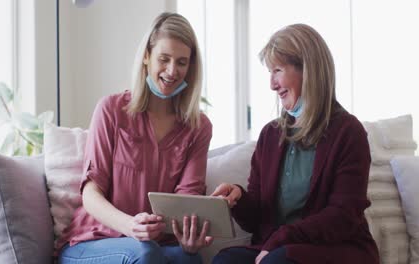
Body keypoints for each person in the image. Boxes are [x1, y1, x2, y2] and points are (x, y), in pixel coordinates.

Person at [211, 24, 379, 264]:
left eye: (277, 70)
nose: (272, 84)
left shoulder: (349, 132)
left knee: (279, 261)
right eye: (270, 72)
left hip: (334, 248)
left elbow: (343, 216)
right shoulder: (270, 134)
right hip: (277, 248)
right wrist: (238, 198)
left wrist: (283, 237)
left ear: (308, 70)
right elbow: (258, 217)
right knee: (226, 260)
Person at [58, 12, 213, 264]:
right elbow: (90, 192)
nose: (172, 71)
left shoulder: (198, 127)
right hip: (91, 242)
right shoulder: (111, 110)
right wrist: (131, 226)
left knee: (189, 260)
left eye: (182, 62)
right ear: (146, 57)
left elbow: (187, 201)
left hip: (155, 246)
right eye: (164, 59)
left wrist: (188, 239)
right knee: (145, 253)